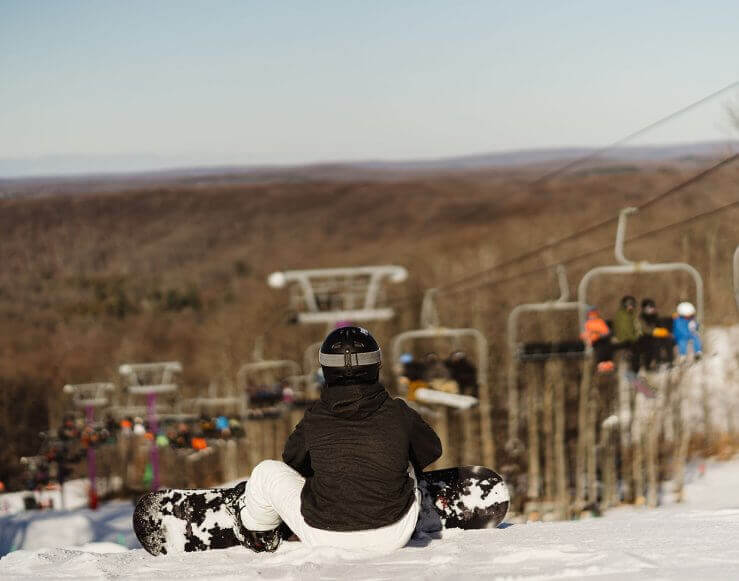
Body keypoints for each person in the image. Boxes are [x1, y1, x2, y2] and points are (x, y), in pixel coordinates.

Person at [237, 326, 442, 553]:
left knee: (266, 471)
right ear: (376, 366)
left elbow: (292, 460)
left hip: (324, 534)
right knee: (407, 456)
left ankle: (258, 531)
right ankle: (412, 505)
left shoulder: (315, 416)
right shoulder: (398, 412)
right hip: (394, 533)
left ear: (326, 370)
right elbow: (431, 449)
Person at [581, 307, 614, 373]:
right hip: (595, 340)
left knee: (606, 346)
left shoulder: (600, 322)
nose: (592, 316)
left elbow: (606, 331)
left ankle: (608, 362)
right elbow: (586, 333)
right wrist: (589, 337)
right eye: (591, 315)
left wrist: (601, 334)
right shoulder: (588, 324)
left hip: (602, 339)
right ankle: (602, 363)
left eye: (594, 315)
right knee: (600, 348)